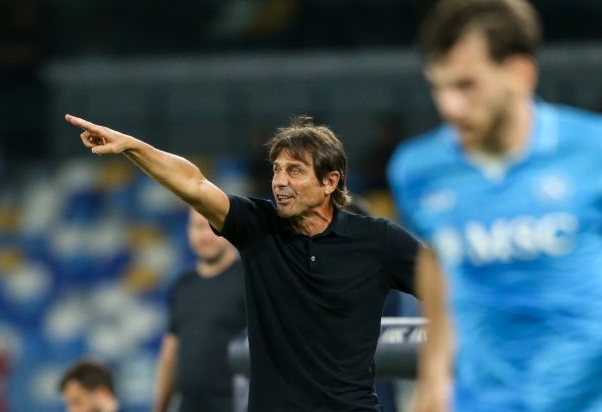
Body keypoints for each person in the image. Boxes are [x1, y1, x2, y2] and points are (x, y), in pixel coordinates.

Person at [66, 113, 419, 411]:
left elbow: (444, 283)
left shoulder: (378, 240)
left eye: (294, 171)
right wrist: (132, 146)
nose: (279, 182)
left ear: (330, 182)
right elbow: (195, 184)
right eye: (277, 170)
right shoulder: (258, 226)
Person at [388, 0, 602, 411]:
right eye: (439, 87)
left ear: (520, 73)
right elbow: (437, 266)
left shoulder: (591, 151)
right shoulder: (417, 171)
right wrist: (433, 387)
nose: (449, 106)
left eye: (466, 85)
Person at [152, 208, 246, 412]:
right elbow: (170, 353)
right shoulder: (182, 285)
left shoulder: (248, 281)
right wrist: (159, 408)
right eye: (197, 226)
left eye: (212, 225)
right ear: (188, 231)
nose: (205, 235)